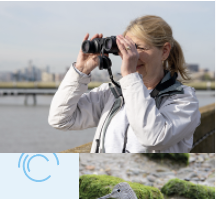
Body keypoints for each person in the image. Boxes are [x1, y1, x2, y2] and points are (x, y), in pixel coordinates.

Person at [48, 15, 201, 153]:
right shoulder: (111, 94)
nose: (131, 55)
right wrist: (80, 72)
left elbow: (153, 137)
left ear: (165, 51)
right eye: (126, 48)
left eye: (138, 48)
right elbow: (60, 119)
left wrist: (129, 76)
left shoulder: (183, 100)